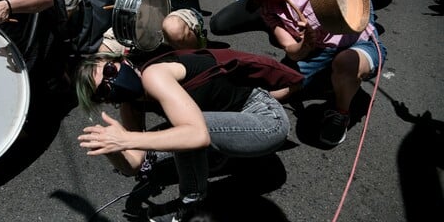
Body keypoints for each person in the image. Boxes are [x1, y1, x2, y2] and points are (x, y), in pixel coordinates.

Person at [75, 47, 301, 221]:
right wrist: (111, 148)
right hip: (230, 125)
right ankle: (224, 159)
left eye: (109, 71)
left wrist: (125, 138)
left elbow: (195, 135)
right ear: (105, 100)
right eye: (103, 89)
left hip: (265, 121)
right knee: (175, 137)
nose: (112, 82)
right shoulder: (131, 104)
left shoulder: (153, 74)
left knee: (182, 134)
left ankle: (191, 205)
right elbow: (134, 163)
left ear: (122, 60)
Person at [232, 0, 386, 146]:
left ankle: (341, 114)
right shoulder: (267, 10)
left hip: (358, 41)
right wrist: (305, 43)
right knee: (276, 90)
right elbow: (291, 50)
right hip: (320, 52)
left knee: (345, 62)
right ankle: (234, 110)